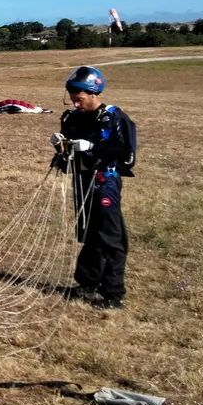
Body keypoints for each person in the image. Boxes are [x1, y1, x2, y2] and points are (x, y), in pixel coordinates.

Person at [50, 66, 137, 310]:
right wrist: (60, 146)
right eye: (72, 98)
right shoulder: (73, 118)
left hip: (105, 181)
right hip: (82, 179)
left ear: (92, 93)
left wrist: (92, 147)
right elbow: (68, 150)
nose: (75, 103)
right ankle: (88, 283)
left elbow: (125, 153)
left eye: (79, 98)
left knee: (110, 235)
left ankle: (113, 292)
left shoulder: (112, 117)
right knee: (89, 232)